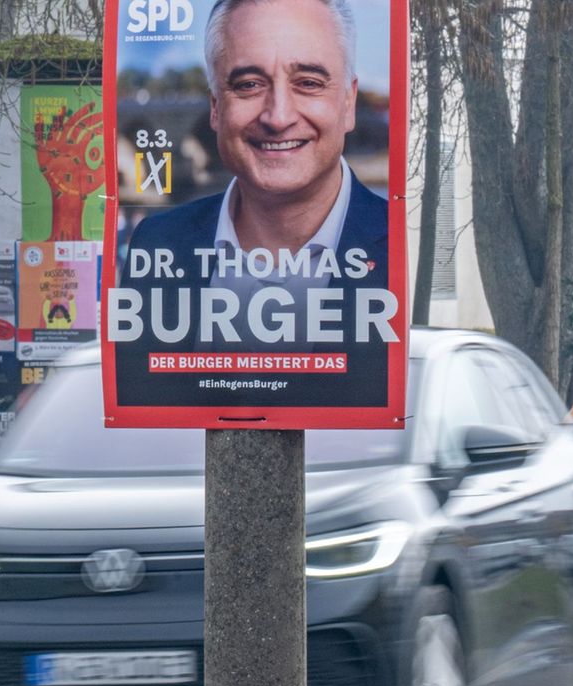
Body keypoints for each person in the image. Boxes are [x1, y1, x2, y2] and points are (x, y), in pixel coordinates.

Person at [112, 0, 393, 408]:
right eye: (248, 85)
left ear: (348, 103)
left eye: (309, 82)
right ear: (214, 108)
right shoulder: (158, 246)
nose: (278, 116)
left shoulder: (404, 246)